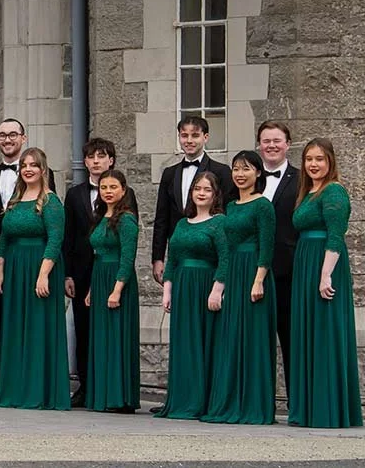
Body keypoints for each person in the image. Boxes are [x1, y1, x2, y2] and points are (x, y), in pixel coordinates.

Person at [0, 118, 53, 400]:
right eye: (2, 135)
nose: (7, 140)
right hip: (0, 258)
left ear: (23, 137)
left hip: (32, 259)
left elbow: (50, 222)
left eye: (13, 135)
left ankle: (32, 378)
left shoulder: (44, 177)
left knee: (30, 317)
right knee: (1, 319)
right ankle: (3, 378)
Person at [288, 138, 362, 428]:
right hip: (305, 264)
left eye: (319, 159)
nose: (313, 164)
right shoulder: (308, 193)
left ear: (330, 161)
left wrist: (325, 274)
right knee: (308, 333)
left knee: (324, 334)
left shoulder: (334, 191)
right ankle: (308, 408)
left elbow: (335, 235)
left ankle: (327, 409)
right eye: (309, 159)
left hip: (323, 265)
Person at [204, 150, 277, 425]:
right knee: (231, 336)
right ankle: (230, 401)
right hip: (232, 272)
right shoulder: (231, 206)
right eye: (236, 169)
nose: (240, 174)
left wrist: (258, 280)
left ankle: (254, 406)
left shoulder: (263, 206)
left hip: (253, 274)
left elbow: (266, 247)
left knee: (253, 339)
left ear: (258, 173)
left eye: (246, 169)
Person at [0, 148, 69, 411]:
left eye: (33, 165)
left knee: (37, 328)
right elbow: (4, 237)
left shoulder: (51, 202)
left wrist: (43, 275)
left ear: (43, 170)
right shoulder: (14, 201)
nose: (28, 169)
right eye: (24, 165)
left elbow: (56, 240)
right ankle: (16, 389)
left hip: (39, 267)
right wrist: (0, 270)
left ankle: (39, 390)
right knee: (15, 328)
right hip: (15, 269)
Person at [156, 171, 231, 420]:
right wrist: (168, 291)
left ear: (215, 194)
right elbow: (173, 259)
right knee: (184, 343)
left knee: (204, 343)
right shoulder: (181, 223)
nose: (201, 193)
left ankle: (201, 400)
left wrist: (217, 290)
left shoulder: (219, 222)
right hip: (183, 288)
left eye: (207, 189)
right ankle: (182, 399)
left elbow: (225, 258)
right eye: (197, 188)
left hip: (204, 287)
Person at [62, 138, 117, 406]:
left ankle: (109, 386)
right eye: (91, 157)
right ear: (84, 162)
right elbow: (68, 236)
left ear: (111, 161)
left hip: (110, 269)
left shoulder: (122, 191)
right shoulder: (74, 194)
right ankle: (84, 385)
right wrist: (68, 274)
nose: (96, 161)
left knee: (109, 328)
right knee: (83, 330)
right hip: (82, 272)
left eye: (101, 156)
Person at [151, 116, 235, 284]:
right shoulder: (169, 173)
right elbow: (162, 218)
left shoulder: (222, 171)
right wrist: (158, 258)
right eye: (184, 135)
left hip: (210, 255)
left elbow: (228, 215)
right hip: (179, 254)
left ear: (205, 137)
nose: (189, 140)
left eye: (195, 135)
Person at [83, 170, 140, 413]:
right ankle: (103, 394)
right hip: (100, 277)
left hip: (118, 280)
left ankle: (119, 396)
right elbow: (96, 255)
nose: (108, 191)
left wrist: (117, 290)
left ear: (123, 190)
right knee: (102, 337)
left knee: (117, 337)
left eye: (113, 187)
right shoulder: (99, 217)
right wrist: (92, 289)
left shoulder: (126, 219)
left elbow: (128, 258)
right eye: (104, 187)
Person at [256, 120, 301, 378]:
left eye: (276, 141)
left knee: (290, 338)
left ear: (287, 144)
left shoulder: (301, 180)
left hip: (288, 271)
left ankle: (296, 402)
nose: (271, 145)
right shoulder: (246, 178)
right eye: (266, 141)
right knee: (255, 341)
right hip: (252, 271)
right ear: (259, 145)